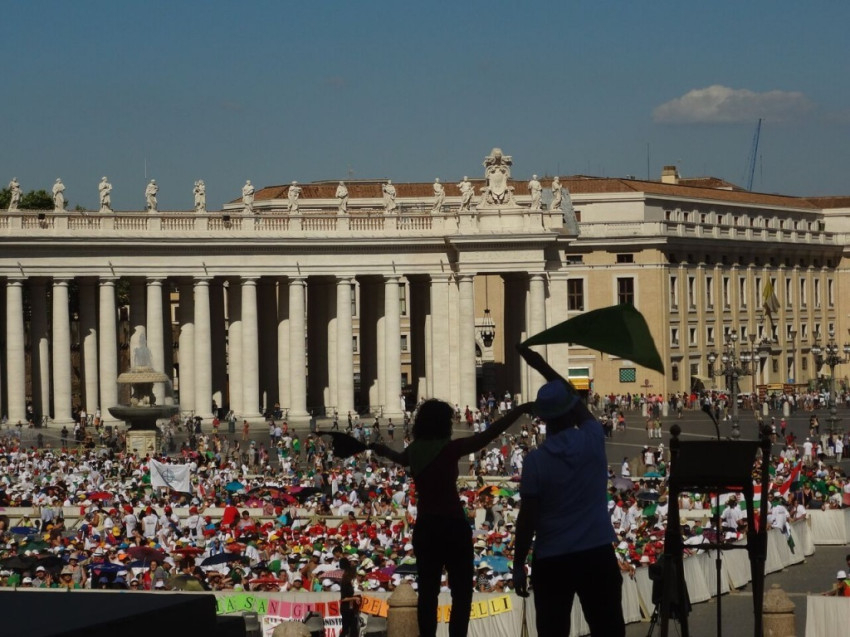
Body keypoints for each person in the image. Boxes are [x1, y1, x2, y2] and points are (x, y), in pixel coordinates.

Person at [370, 396, 533, 637]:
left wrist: (380, 448)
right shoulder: (450, 449)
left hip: (426, 527)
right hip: (453, 525)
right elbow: (489, 434)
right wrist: (520, 410)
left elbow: (397, 457)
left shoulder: (415, 451)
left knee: (428, 593)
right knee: (462, 593)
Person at [512, 343, 624, 637]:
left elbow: (528, 518)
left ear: (543, 418)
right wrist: (540, 365)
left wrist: (518, 563)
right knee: (609, 630)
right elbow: (577, 403)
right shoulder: (593, 437)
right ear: (570, 411)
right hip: (596, 552)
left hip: (553, 559)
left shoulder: (535, 461)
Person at [338, 557, 361, 636]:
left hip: (350, 608)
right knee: (346, 629)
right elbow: (343, 598)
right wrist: (355, 598)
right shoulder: (345, 583)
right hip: (345, 609)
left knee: (353, 629)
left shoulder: (348, 583)